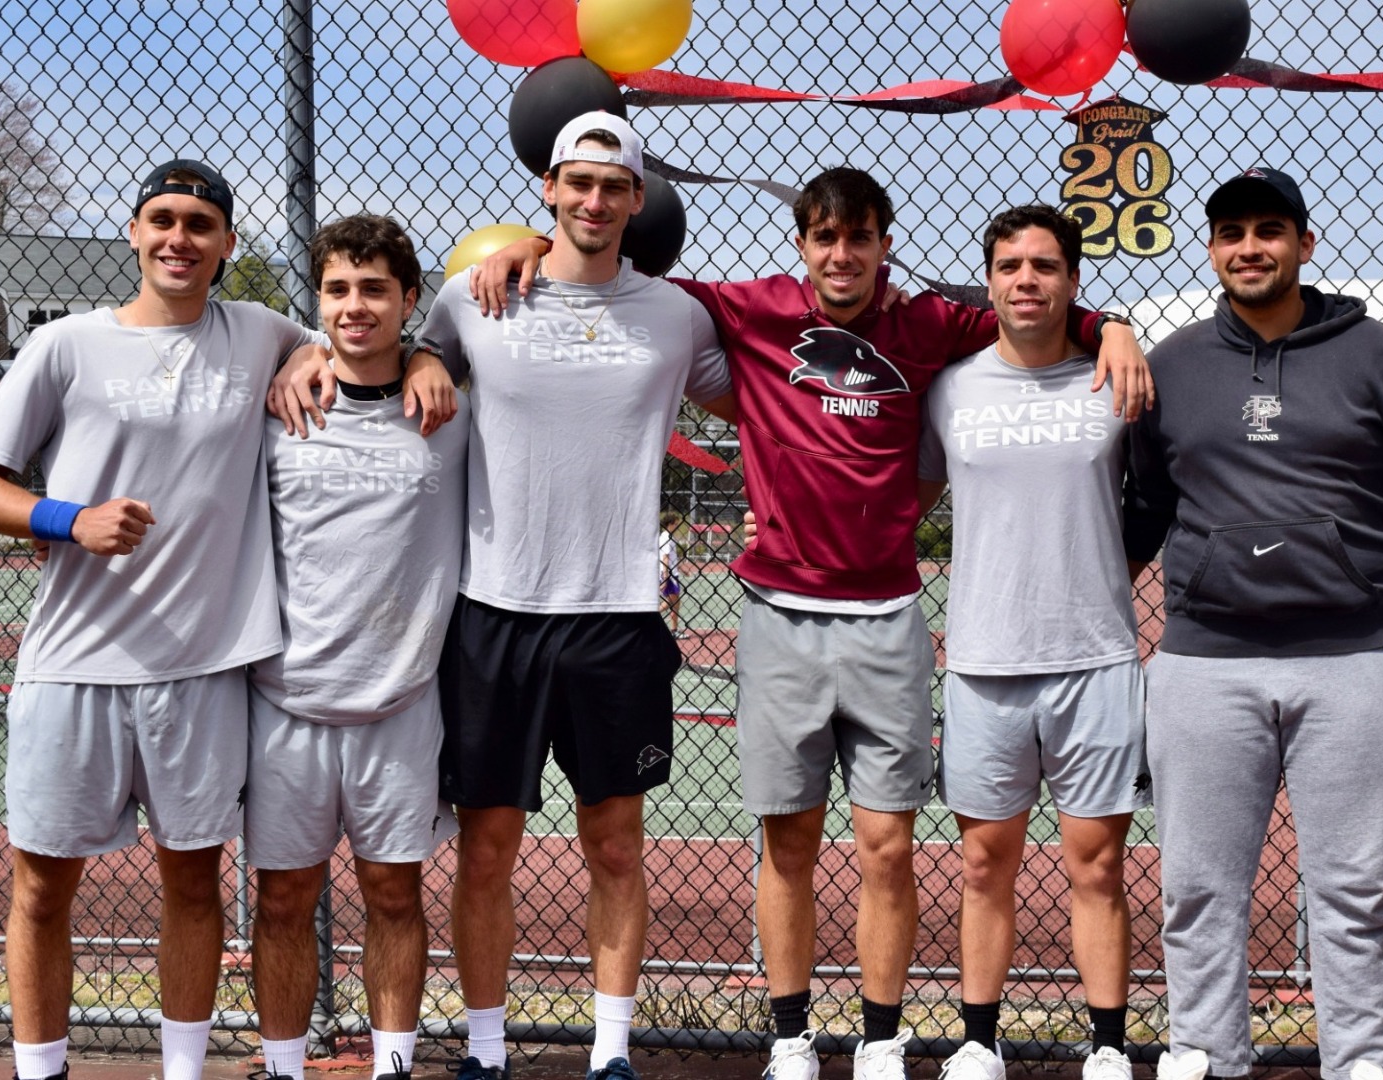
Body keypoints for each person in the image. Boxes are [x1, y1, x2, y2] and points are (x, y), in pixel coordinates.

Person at [476, 166, 1153, 1080]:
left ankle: (880, 1037)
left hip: (888, 616)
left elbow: (1031, 308)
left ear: (884, 245)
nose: (843, 255)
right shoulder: (749, 310)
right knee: (787, 841)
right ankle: (790, 1036)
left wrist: (1109, 323)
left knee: (888, 844)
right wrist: (531, 244)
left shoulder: (930, 327)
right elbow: (610, 274)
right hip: (779, 615)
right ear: (803, 246)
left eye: (860, 237)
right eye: (825, 238)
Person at [0, 159, 447, 1080]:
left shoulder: (260, 334)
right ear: (135, 233)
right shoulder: (66, 347)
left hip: (206, 670)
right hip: (73, 663)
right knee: (42, 885)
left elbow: (356, 337)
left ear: (225, 245)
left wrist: (421, 354)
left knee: (192, 883)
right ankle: (38, 1070)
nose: (180, 239)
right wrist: (68, 519)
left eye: (201, 225)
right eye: (163, 220)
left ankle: (183, 1071)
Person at [415, 113, 735, 1080]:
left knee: (616, 846)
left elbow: (768, 387)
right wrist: (416, 358)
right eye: (578, 182)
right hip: (496, 611)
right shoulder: (474, 299)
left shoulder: (677, 317)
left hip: (618, 616)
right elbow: (408, 356)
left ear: (637, 202)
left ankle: (608, 1055)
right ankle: (483, 1052)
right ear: (549, 189)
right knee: (486, 848)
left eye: (614, 186)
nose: (594, 201)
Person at [1124, 167, 1383, 1080]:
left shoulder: (1382, 354)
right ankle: (1208, 1057)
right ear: (1211, 248)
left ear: (1305, 242)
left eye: (1268, 230)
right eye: (1230, 233)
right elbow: (1145, 506)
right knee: (1197, 888)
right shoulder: (1171, 364)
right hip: (1206, 665)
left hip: (1360, 659)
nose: (1249, 247)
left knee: (1355, 889)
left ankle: (1362, 1062)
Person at [915, 205, 1145, 1080]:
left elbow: (1153, 502)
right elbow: (913, 500)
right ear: (989, 279)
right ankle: (979, 1039)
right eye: (1010, 265)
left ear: (1074, 282)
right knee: (984, 863)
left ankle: (1110, 1047)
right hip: (983, 660)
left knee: (1098, 864)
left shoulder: (1114, 381)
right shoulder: (951, 389)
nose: (1026, 281)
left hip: (1095, 658)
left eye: (1045, 266)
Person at [245, 214, 466, 1080]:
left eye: (375, 288)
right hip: (285, 702)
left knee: (393, 895)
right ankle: (285, 1065)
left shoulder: (449, 413)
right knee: (283, 899)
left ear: (410, 300)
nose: (355, 305)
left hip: (400, 705)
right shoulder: (274, 407)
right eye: (338, 288)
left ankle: (394, 1066)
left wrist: (432, 358)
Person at [658, 510, 687, 638]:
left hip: (671, 573)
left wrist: (681, 568)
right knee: (674, 603)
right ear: (669, 524)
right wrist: (665, 577)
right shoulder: (666, 537)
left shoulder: (668, 537)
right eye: (675, 524)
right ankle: (674, 631)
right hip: (669, 575)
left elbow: (672, 557)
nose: (677, 526)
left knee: (672, 602)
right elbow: (665, 557)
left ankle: (673, 628)